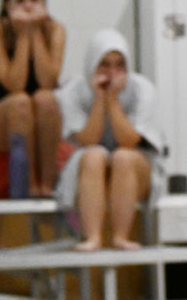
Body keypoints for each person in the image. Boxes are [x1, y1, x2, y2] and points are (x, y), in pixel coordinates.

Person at [55, 30, 164, 251]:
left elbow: (129, 141)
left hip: (134, 167)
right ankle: (93, 237)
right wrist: (99, 99)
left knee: (123, 157)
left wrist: (112, 100)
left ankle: (120, 236)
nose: (112, 73)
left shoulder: (142, 89)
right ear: (92, 64)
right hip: (90, 170)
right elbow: (88, 140)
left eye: (119, 65)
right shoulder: (72, 92)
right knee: (94, 155)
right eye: (104, 65)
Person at [0, 0, 66, 196]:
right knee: (20, 102)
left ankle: (47, 185)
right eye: (20, 1)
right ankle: (28, 185)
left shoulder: (55, 30)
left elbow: (48, 82)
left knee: (46, 99)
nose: (28, 6)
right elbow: (15, 85)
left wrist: (35, 34)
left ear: (44, 4)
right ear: (7, 6)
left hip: (37, 115)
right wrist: (24, 36)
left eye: (34, 0)